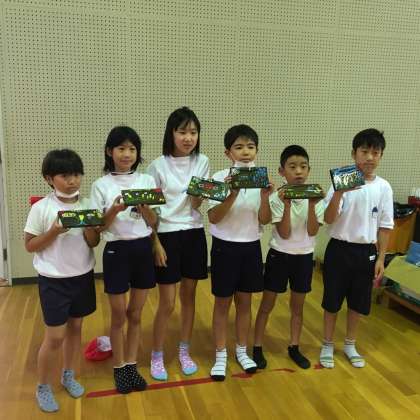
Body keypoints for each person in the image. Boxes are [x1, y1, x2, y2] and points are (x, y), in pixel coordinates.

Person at [24, 149, 99, 412]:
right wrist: (54, 231)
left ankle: (68, 375)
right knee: (55, 336)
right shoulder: (41, 208)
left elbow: (94, 242)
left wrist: (91, 229)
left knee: (76, 329)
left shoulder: (87, 204)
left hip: (82, 276)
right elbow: (30, 246)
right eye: (65, 175)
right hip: (53, 281)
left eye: (77, 174)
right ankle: (43, 386)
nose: (72, 181)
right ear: (49, 178)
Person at [90, 126, 157, 393]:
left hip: (142, 249)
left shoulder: (146, 180)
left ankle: (131, 364)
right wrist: (114, 210)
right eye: (121, 148)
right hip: (116, 251)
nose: (127, 154)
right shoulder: (101, 185)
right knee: (118, 315)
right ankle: (119, 367)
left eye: (132, 149)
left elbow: (154, 222)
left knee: (136, 314)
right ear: (110, 151)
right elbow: (99, 227)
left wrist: (146, 209)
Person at [320, 128, 393, 369]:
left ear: (381, 156)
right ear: (354, 154)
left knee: (358, 303)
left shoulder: (384, 187)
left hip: (366, 252)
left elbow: (385, 226)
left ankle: (350, 344)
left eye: (375, 152)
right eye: (364, 152)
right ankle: (327, 344)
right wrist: (338, 193)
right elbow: (328, 219)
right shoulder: (341, 180)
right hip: (339, 250)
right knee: (332, 301)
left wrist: (381, 258)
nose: (369, 158)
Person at [147, 107, 209, 381]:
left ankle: (184, 351)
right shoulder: (157, 166)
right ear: (171, 133)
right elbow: (150, 212)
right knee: (168, 303)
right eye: (182, 132)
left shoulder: (202, 161)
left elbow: (196, 204)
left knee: (189, 297)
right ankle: (156, 354)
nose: (188, 138)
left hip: (194, 233)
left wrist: (200, 194)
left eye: (193, 132)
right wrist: (156, 243)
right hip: (167, 235)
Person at [207, 124, 272, 381]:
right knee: (222, 302)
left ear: (257, 150)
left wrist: (265, 197)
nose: (245, 152)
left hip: (251, 246)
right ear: (228, 152)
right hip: (224, 246)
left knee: (245, 302)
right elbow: (214, 217)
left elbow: (264, 219)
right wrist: (231, 194)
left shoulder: (261, 179)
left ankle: (242, 351)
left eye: (250, 147)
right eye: (239, 147)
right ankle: (220, 354)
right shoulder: (219, 177)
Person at [253, 145, 324, 370]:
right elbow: (284, 233)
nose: (298, 171)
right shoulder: (277, 197)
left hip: (304, 257)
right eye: (292, 167)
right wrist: (285, 205)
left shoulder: (315, 197)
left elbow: (312, 231)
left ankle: (294, 346)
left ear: (309, 170)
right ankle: (257, 346)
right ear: (282, 171)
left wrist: (312, 205)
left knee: (298, 308)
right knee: (267, 304)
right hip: (279, 256)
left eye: (303, 166)